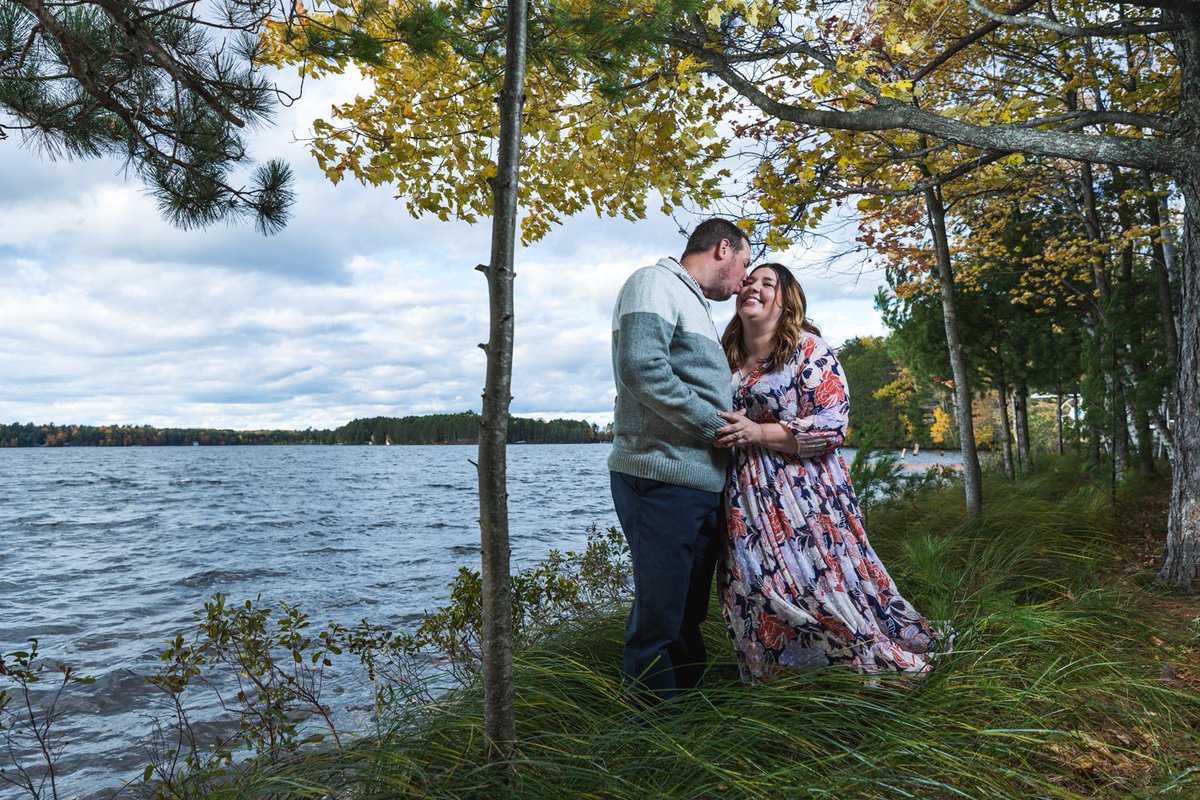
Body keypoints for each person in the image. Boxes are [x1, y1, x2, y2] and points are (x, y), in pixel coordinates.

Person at [714, 263, 947, 678]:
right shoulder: (725, 358)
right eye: (749, 281)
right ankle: (785, 692)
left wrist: (757, 431)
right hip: (743, 503)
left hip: (802, 499)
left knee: (814, 588)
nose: (754, 287)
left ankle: (857, 674)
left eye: (768, 284)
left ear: (787, 303)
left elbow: (832, 425)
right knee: (752, 590)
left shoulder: (809, 350)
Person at [608, 217, 751, 704]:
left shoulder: (691, 302)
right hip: (660, 474)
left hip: (697, 482)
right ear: (723, 249)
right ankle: (653, 734)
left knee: (688, 613)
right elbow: (641, 369)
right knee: (660, 615)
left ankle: (688, 719)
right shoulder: (654, 283)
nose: (744, 280)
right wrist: (716, 427)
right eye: (744, 265)